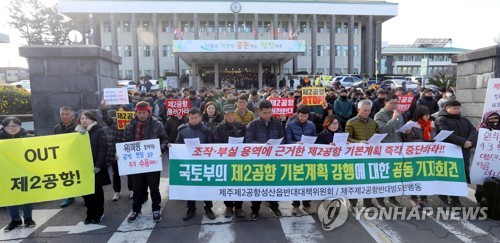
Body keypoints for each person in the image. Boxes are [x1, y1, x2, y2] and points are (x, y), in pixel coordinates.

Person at [123, 101, 168, 223]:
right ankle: (136, 210)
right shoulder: (130, 125)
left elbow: (164, 139)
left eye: (144, 113)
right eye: (139, 113)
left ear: (149, 112)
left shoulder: (157, 124)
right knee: (137, 188)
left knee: (154, 188)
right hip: (136, 162)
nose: (141, 115)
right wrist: (120, 154)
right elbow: (124, 142)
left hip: (151, 161)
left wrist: (161, 149)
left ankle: (156, 209)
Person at [245, 100, 285, 221]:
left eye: (269, 112)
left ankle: (274, 206)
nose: (267, 115)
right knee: (258, 185)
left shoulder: (277, 123)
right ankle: (255, 209)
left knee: (273, 184)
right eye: (264, 113)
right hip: (258, 160)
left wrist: (277, 145)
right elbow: (248, 141)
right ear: (259, 111)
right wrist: (262, 145)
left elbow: (282, 139)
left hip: (274, 160)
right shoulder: (253, 124)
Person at [435, 100, 478, 207]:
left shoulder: (464, 120)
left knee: (460, 176)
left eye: (459, 108)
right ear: (447, 108)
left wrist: (469, 142)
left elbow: (473, 131)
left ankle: (455, 199)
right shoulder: (441, 119)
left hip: (464, 153)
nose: (458, 110)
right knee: (446, 175)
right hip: (448, 153)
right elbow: (445, 134)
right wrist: (463, 142)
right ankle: (443, 198)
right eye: (455, 108)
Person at [176, 107, 216, 221]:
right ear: (188, 117)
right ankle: (191, 208)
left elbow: (212, 145)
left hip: (203, 163)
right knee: (190, 186)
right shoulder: (182, 130)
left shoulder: (206, 130)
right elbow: (178, 143)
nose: (193, 120)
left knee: (205, 186)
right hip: (189, 163)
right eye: (191, 118)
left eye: (196, 118)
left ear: (200, 118)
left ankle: (208, 207)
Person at [374, 93, 411, 208]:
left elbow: (400, 129)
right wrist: (394, 118)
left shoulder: (400, 114)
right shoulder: (379, 115)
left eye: (396, 103)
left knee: (395, 174)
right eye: (392, 103)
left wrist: (406, 130)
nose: (395, 105)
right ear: (386, 103)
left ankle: (392, 197)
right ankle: (380, 199)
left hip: (398, 147)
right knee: (384, 174)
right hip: (385, 148)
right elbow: (384, 130)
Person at [75, 111, 110, 224]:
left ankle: (99, 212)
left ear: (92, 120)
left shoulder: (99, 131)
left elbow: (102, 149)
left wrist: (98, 165)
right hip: (82, 168)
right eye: (82, 118)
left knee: (96, 191)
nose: (84, 120)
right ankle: (90, 213)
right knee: (85, 192)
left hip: (96, 167)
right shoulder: (77, 133)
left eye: (86, 118)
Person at [1, 117, 36, 231]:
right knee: (10, 196)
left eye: (15, 125)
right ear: (4, 127)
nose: (12, 128)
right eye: (9, 126)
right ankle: (15, 219)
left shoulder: (29, 138)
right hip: (5, 173)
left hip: (25, 171)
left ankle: (28, 218)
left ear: (20, 126)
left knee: (26, 195)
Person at [214, 104, 247, 218]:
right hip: (226, 160)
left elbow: (247, 141)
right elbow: (216, 144)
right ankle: (228, 205)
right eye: (228, 114)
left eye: (232, 113)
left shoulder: (241, 126)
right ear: (224, 115)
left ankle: (239, 207)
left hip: (239, 160)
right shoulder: (219, 127)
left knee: (239, 184)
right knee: (227, 183)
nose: (231, 116)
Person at [345, 99, 379, 210]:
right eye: (364, 110)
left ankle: (368, 202)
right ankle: (353, 202)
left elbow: (376, 135)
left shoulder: (373, 123)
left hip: (370, 155)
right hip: (356, 155)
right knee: (355, 179)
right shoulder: (351, 122)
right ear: (359, 110)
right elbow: (347, 138)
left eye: (369, 110)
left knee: (369, 179)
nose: (367, 113)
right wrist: (358, 142)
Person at [284, 104, 317, 216]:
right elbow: (287, 140)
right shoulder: (290, 125)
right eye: (302, 115)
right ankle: (295, 205)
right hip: (295, 157)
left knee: (308, 180)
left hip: (308, 156)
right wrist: (295, 143)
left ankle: (307, 204)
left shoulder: (311, 124)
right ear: (297, 114)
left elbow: (314, 137)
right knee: (296, 181)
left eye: (306, 116)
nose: (304, 118)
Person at [403, 106, 436, 208]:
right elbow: (409, 140)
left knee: (426, 175)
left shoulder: (431, 124)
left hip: (428, 154)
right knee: (415, 175)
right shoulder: (412, 125)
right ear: (419, 115)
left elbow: (434, 136)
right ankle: (414, 197)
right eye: (425, 115)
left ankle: (424, 198)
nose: (428, 117)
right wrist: (424, 142)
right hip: (415, 155)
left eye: (428, 114)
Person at [101, 100, 134, 201]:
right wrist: (104, 108)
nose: (121, 114)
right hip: (114, 149)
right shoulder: (114, 121)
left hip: (127, 149)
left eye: (123, 112)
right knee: (116, 172)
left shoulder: (132, 122)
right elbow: (105, 118)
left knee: (130, 172)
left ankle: (132, 190)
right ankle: (117, 192)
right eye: (119, 112)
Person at [54, 106, 77, 208]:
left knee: (78, 176)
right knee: (66, 176)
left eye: (67, 114)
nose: (64, 116)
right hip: (62, 156)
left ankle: (85, 196)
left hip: (76, 156)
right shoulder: (57, 128)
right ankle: (69, 196)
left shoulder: (78, 127)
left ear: (72, 116)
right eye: (62, 114)